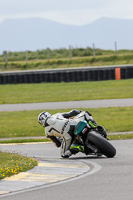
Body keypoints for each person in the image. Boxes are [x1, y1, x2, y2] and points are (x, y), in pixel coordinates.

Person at [38, 110, 107, 158]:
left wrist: (61, 140)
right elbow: (72, 112)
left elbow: (58, 144)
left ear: (41, 123)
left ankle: (77, 148)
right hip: (73, 123)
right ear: (49, 114)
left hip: (67, 136)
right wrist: (79, 112)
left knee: (63, 154)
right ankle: (95, 126)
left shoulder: (46, 132)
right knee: (85, 113)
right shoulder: (56, 115)